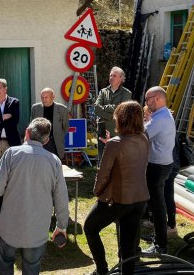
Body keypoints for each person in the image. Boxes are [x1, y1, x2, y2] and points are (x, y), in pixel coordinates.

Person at [0, 117, 69, 275]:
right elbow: (61, 197)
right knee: (32, 267)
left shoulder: (10, 154)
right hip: (37, 229)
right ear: (46, 140)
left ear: (26, 132)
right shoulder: (54, 161)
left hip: (9, 226)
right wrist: (61, 226)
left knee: (5, 263)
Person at [84, 101, 149, 275]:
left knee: (90, 228)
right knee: (128, 245)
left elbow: (103, 173)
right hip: (140, 198)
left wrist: (97, 192)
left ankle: (102, 270)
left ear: (120, 119)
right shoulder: (144, 138)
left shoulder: (115, 144)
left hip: (118, 199)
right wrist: (110, 143)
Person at [142, 86, 176, 254]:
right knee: (156, 203)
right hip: (161, 163)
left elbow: (142, 136)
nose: (146, 103)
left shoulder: (160, 118)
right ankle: (158, 236)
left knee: (157, 205)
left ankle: (160, 245)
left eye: (147, 99)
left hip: (157, 165)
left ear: (156, 98)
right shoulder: (162, 115)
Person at [94, 67, 131, 163]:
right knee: (102, 158)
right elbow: (96, 109)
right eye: (110, 75)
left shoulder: (126, 93)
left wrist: (105, 108)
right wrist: (113, 112)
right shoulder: (103, 91)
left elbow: (121, 109)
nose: (111, 77)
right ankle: (101, 177)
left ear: (121, 78)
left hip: (117, 130)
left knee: (116, 158)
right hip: (103, 128)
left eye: (114, 75)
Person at [31, 87, 69, 159]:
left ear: (53, 97)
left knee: (55, 164)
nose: (44, 100)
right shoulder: (35, 108)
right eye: (42, 97)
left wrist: (58, 137)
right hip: (40, 142)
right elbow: (32, 125)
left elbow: (65, 127)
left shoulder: (62, 109)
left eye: (46, 97)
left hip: (55, 142)